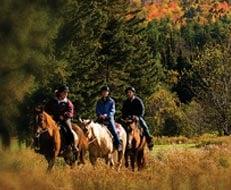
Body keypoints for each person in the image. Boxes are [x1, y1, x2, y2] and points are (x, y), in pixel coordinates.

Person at [45, 84, 78, 152]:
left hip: (64, 119)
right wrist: (50, 115)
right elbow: (46, 109)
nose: (66, 94)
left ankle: (73, 145)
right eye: (64, 92)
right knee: (42, 128)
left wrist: (64, 115)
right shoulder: (52, 101)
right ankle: (40, 145)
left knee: (69, 130)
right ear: (60, 93)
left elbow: (71, 112)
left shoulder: (68, 102)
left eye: (67, 93)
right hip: (53, 119)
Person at [96, 85, 122, 151]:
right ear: (101, 92)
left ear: (108, 93)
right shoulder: (99, 101)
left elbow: (113, 110)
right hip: (100, 119)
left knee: (114, 130)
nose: (104, 93)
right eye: (103, 91)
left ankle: (118, 144)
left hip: (109, 119)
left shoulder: (111, 101)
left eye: (106, 92)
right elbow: (97, 109)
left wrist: (107, 115)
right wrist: (99, 115)